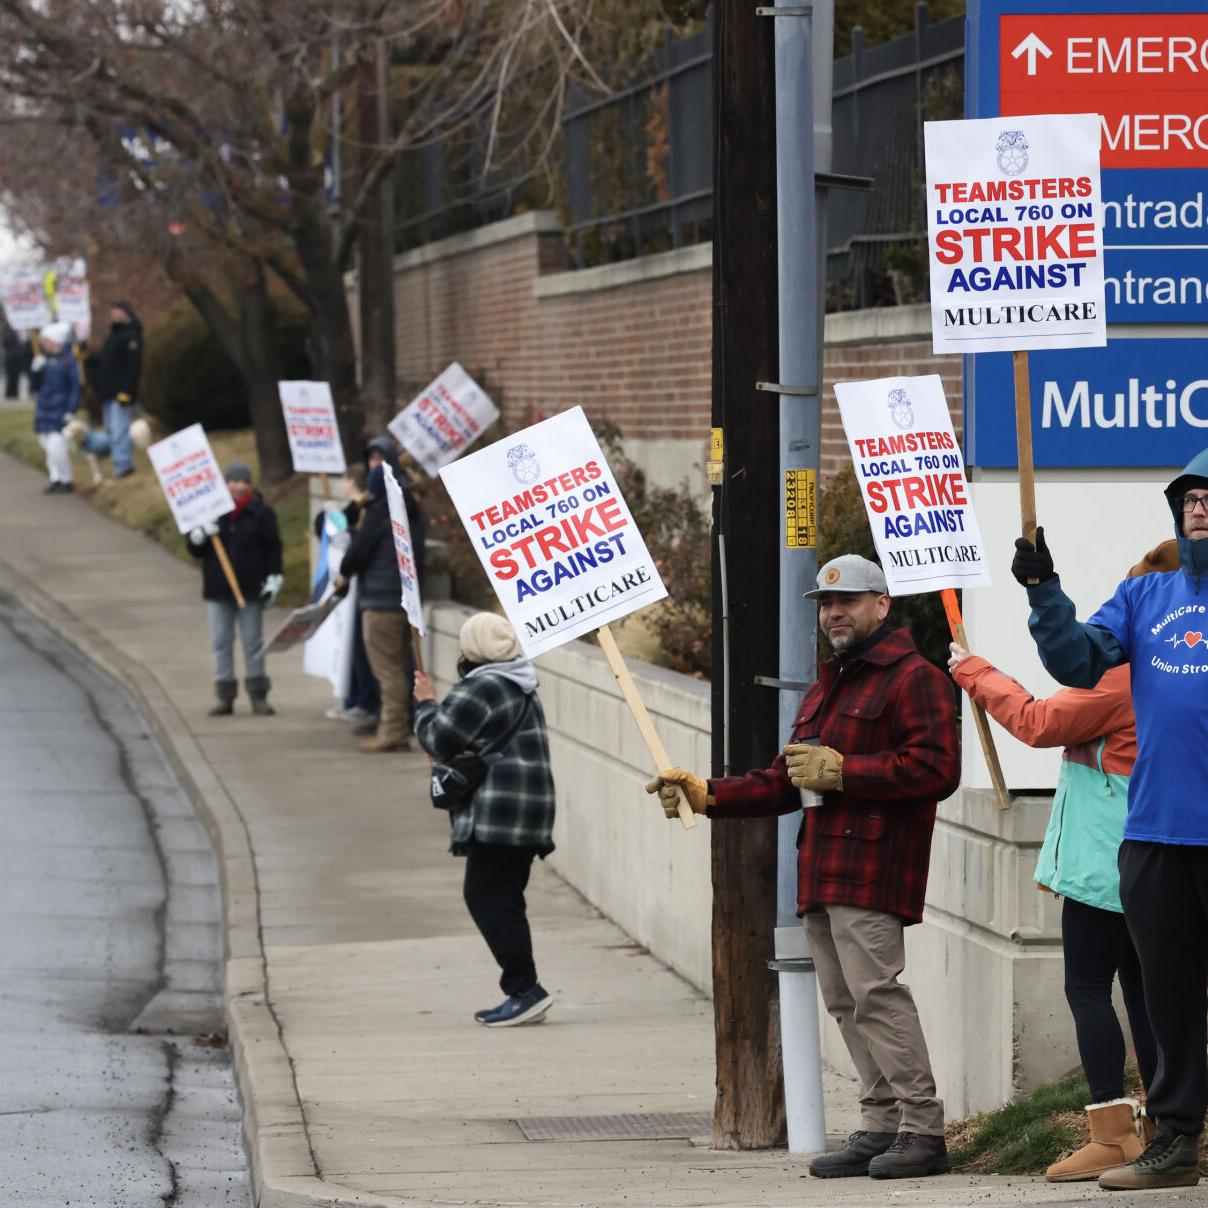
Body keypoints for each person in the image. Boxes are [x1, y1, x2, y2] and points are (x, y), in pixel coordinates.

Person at [646, 554, 960, 1180]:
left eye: (847, 602)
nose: (833, 613)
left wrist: (847, 771)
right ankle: (880, 1126)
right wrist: (708, 795)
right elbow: (784, 781)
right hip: (823, 868)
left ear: (882, 605)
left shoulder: (914, 677)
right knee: (846, 1002)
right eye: (824, 603)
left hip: (873, 867)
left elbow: (936, 770)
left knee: (876, 995)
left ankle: (922, 1130)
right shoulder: (829, 684)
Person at [949, 540, 1178, 1182]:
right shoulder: (1180, 667)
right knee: (1147, 995)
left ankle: (1112, 1133)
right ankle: (1166, 1127)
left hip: (1108, 861)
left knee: (1087, 990)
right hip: (1160, 854)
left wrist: (974, 670)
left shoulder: (1124, 676)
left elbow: (1038, 721)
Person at [1011, 455, 1208, 1191]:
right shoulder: (1144, 595)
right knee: (1167, 997)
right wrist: (1042, 591)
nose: (1199, 507)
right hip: (1155, 833)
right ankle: (1175, 1140)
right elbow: (1076, 661)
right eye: (1190, 497)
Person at [413, 612, 556, 1028]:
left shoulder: (484, 684)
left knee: (487, 897)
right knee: (503, 897)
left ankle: (525, 990)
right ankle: (523, 989)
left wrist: (425, 703)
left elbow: (438, 736)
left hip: (500, 812)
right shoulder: (519, 682)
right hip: (525, 809)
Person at [334, 437, 425, 753]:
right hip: (405, 601)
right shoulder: (409, 510)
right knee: (401, 667)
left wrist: (343, 574)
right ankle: (405, 725)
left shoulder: (377, 513)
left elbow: (354, 554)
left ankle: (392, 732)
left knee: (387, 671)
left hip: (380, 601)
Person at [186, 460, 283, 717]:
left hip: (250, 589)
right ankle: (225, 696)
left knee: (253, 642)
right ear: (225, 483)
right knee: (221, 642)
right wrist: (199, 534)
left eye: (244, 482)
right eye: (235, 481)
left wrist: (274, 577)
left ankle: (258, 694)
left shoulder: (261, 512)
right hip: (218, 589)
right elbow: (194, 550)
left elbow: (273, 548)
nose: (240, 486)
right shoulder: (211, 512)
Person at [314, 463, 379, 725]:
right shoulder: (356, 509)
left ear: (351, 481)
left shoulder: (366, 510)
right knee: (351, 648)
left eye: (344, 478)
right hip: (352, 590)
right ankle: (353, 698)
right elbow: (327, 530)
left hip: (360, 590)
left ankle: (363, 701)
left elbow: (351, 540)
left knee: (360, 649)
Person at [95, 300, 143, 479]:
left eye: (117, 311)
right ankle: (119, 461)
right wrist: (87, 356)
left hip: (121, 393)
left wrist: (127, 391)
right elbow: (105, 362)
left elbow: (133, 367)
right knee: (110, 430)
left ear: (125, 312)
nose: (114, 315)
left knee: (118, 429)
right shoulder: (113, 336)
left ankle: (123, 466)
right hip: (108, 392)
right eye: (112, 311)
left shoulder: (131, 336)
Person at [30, 321, 79, 495]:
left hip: (60, 409)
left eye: (48, 340)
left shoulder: (68, 360)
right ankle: (55, 478)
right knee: (46, 446)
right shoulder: (44, 359)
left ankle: (66, 479)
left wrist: (71, 410)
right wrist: (35, 370)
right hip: (44, 408)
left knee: (56, 447)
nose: (45, 344)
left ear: (56, 341)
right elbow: (35, 387)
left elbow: (75, 387)